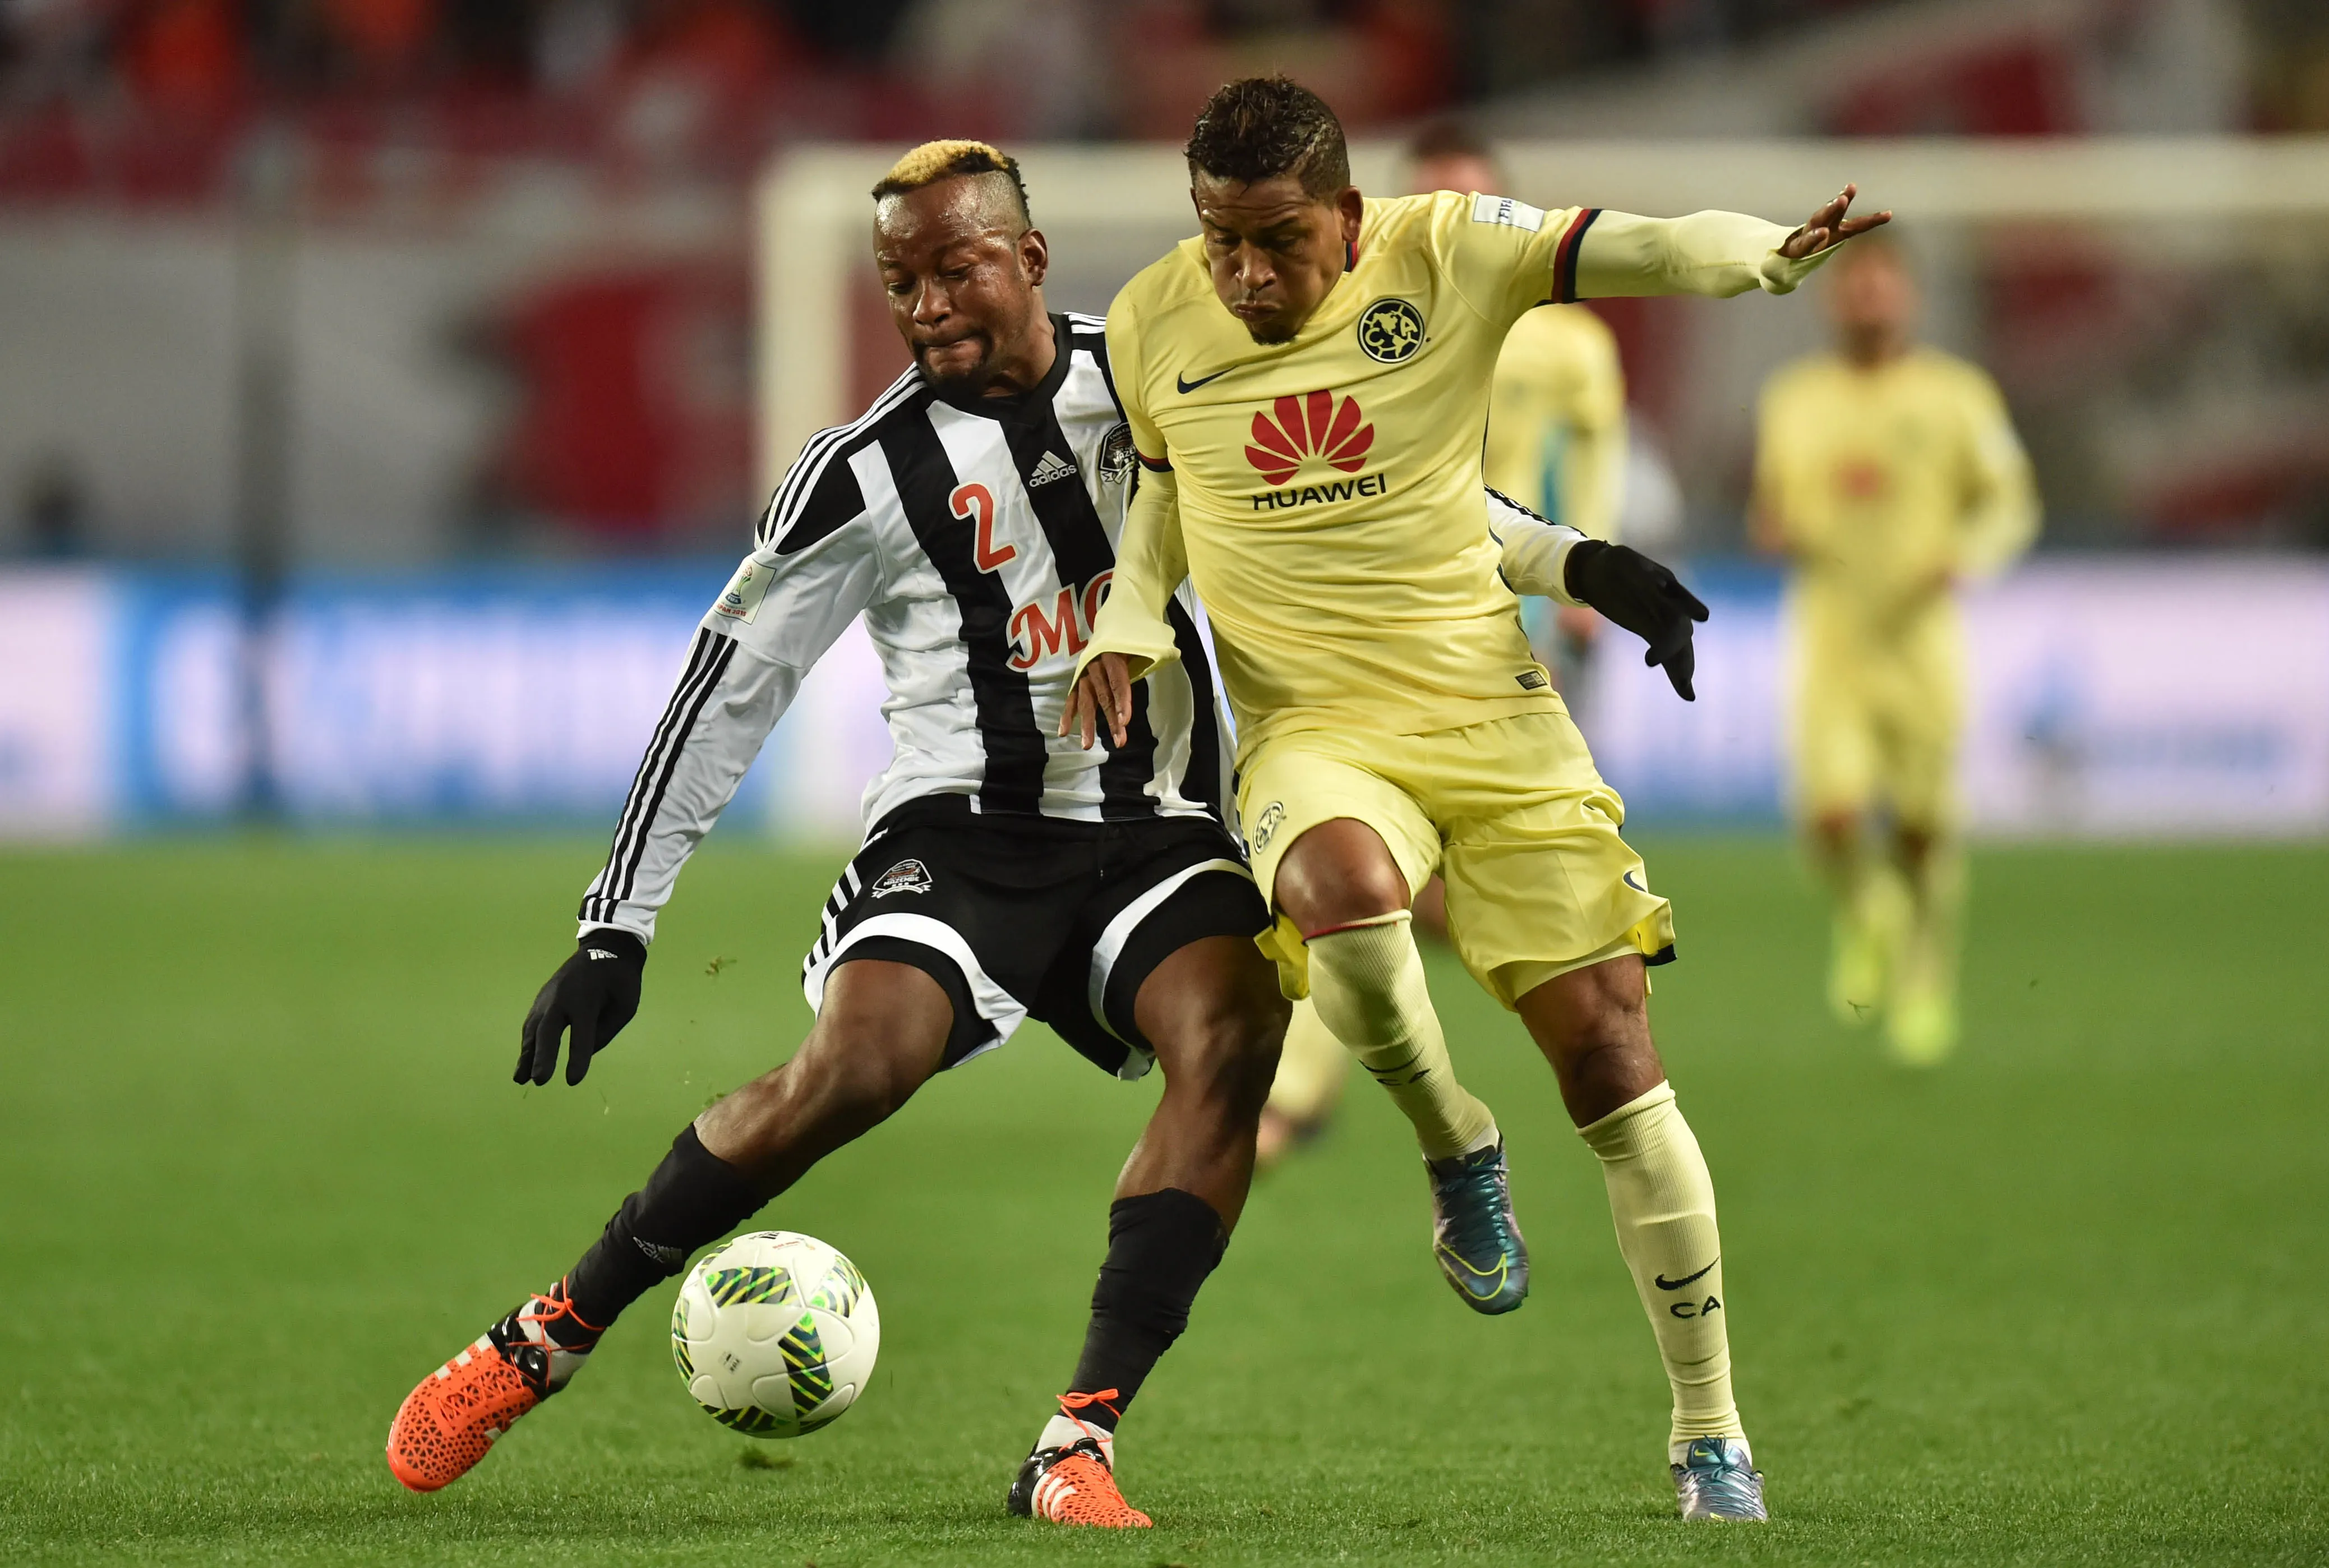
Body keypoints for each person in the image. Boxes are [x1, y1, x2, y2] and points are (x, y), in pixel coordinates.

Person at [384, 140, 1291, 1532]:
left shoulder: (1170, 377)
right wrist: (615, 926)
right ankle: (544, 1337)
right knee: (859, 1067)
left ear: (1031, 262)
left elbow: (1361, 489)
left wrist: (1551, 551)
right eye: (898, 282)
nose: (925, 305)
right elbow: (725, 693)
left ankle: (1075, 1445)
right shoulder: (861, 473)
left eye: (955, 269)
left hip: (1156, 829)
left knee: (1234, 1039)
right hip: (963, 836)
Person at [1063, 76, 1888, 1522]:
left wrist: (1759, 256)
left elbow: (1637, 244)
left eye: (1274, 242)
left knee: (1611, 1061)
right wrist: (1133, 619)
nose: (1243, 274)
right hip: (1312, 727)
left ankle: (1711, 1431)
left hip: (1492, 717)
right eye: (1216, 239)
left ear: (1348, 216)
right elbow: (1165, 492)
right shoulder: (1152, 321)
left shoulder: (1451, 250)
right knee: (1349, 902)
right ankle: (1455, 1138)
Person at [1255, 118, 1633, 1171]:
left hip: (1504, 629)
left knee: (1422, 900)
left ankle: (1343, 1085)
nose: (1449, 223)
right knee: (1365, 880)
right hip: (1373, 634)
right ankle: (1301, 1090)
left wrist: (1582, 586)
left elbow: (1593, 458)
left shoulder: (1563, 341)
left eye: (1471, 202)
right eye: (1430, 200)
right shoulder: (1339, 323)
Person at [1750, 238, 2038, 1065]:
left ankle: (1924, 981)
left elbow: (2011, 503)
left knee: (1921, 828)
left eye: (1884, 286)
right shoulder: (1794, 398)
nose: (1870, 301)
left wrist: (1968, 555)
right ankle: (1868, 908)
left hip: (1920, 641)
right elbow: (1773, 505)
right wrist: (1773, 529)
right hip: (1831, 632)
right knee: (1829, 815)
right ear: (1833, 299)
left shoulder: (1957, 395)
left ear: (1906, 297)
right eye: (1856, 288)